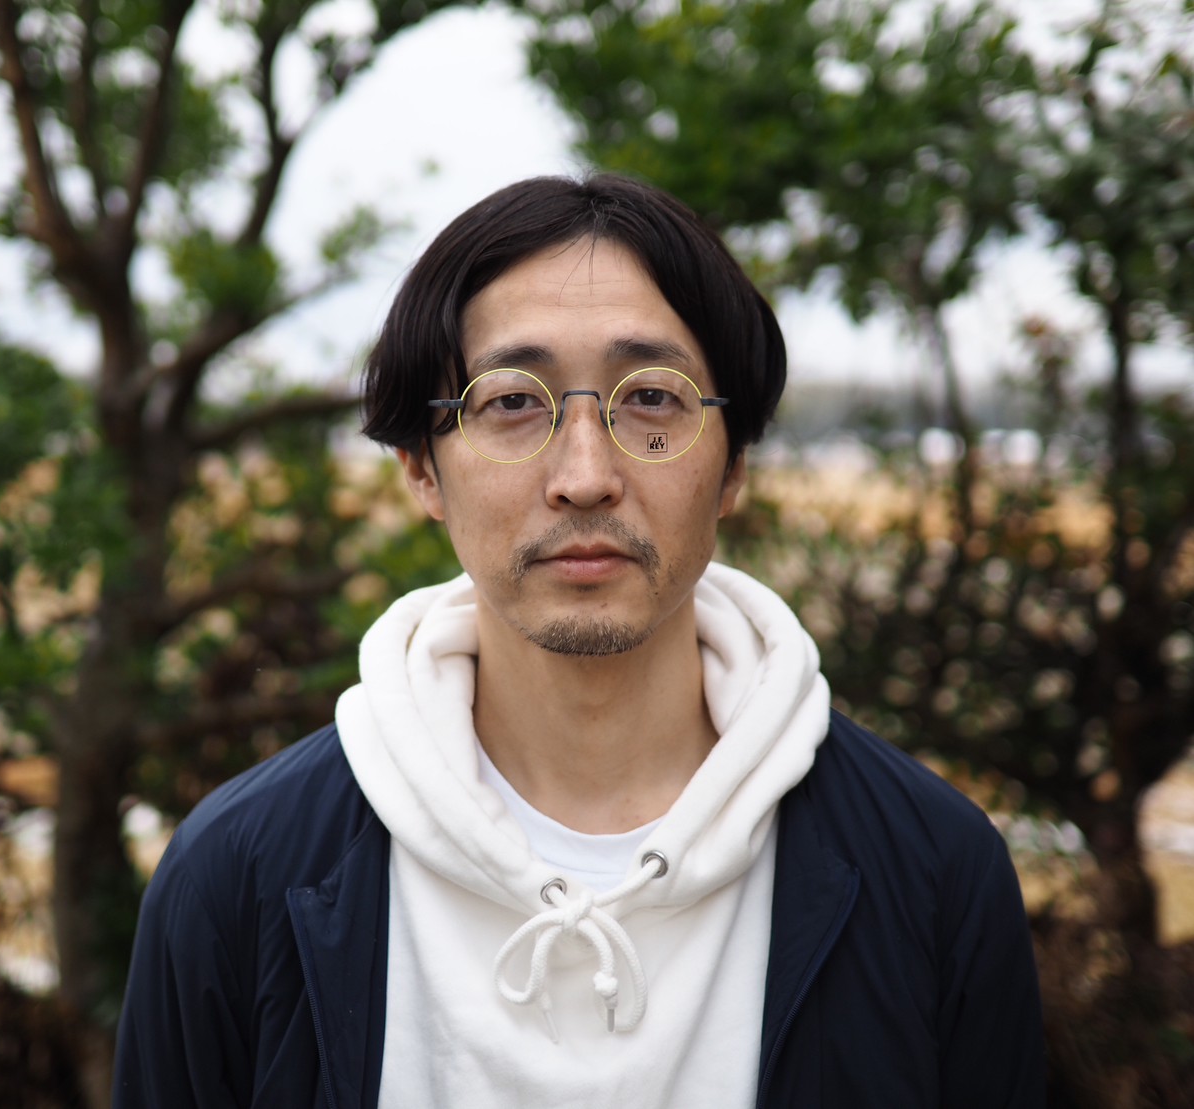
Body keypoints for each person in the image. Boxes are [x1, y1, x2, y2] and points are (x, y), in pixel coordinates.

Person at [112, 174, 1044, 1108]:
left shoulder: (930, 872)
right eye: (513, 402)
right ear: (421, 467)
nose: (586, 475)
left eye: (652, 398)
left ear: (733, 464)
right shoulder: (237, 878)